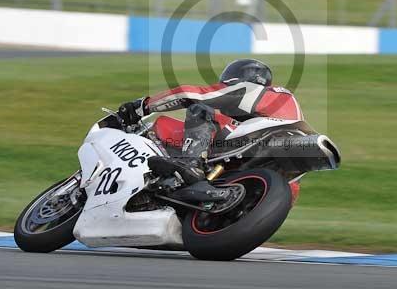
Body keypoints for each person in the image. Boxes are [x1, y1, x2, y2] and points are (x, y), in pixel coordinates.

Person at [116, 59, 302, 201]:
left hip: (264, 142)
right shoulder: (279, 103)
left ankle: (191, 163)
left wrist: (143, 106)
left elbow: (191, 95)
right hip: (286, 180)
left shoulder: (253, 91)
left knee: (201, 109)